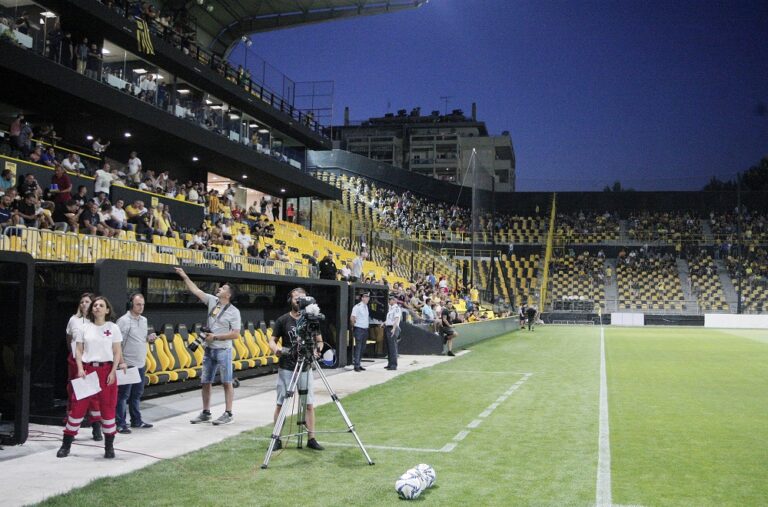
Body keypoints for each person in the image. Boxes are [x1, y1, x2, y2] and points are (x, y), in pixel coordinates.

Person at [57, 296, 125, 459]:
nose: (97, 307)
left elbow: (117, 352)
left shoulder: (113, 328)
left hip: (106, 371)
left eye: (101, 305)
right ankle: (66, 445)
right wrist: (80, 368)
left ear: (107, 310)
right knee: (77, 408)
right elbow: (78, 351)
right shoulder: (84, 328)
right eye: (95, 305)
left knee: (108, 409)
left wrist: (113, 371)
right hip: (88, 371)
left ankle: (109, 447)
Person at [175, 268, 241, 425]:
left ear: (228, 295)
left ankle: (228, 413)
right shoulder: (213, 301)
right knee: (205, 381)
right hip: (209, 349)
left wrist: (216, 337)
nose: (219, 289)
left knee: (227, 382)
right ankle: (206, 412)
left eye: (223, 288)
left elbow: (235, 334)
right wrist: (184, 276)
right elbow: (196, 290)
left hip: (223, 350)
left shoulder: (234, 312)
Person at [267, 287, 325, 451]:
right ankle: (277, 437)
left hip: (305, 367)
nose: (299, 301)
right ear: (290, 300)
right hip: (287, 367)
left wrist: (317, 350)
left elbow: (319, 340)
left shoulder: (311, 319)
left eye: (302, 298)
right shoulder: (283, 320)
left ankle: (311, 438)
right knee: (281, 404)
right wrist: (276, 349)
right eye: (296, 298)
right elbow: (272, 340)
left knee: (309, 404)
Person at [115, 293, 157, 433]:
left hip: (140, 363)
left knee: (136, 395)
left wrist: (148, 338)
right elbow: (116, 344)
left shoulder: (144, 320)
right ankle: (120, 423)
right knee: (123, 396)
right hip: (127, 364)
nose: (141, 307)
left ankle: (136, 421)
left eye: (143, 305)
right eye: (138, 304)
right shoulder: (123, 321)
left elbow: (139, 339)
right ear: (131, 304)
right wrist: (121, 362)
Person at [64, 293, 102, 442]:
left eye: (87, 301)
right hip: (75, 362)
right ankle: (71, 431)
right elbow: (69, 339)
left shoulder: (98, 322)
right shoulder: (73, 320)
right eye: (82, 302)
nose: (84, 304)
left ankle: (96, 427)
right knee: (74, 394)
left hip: (91, 362)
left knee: (93, 396)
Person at [349, 292, 370, 372]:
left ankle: (358, 363)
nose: (368, 299)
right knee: (358, 347)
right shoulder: (357, 307)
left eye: (368, 297)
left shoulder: (366, 307)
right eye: (366, 297)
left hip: (365, 329)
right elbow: (352, 317)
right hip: (359, 328)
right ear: (362, 298)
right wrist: (353, 326)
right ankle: (356, 365)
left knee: (363, 347)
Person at [384, 293, 402, 371]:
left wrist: (394, 328)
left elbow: (396, 318)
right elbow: (389, 319)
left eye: (390, 299)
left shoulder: (396, 308)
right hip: (388, 327)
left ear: (394, 300)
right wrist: (384, 323)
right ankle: (390, 363)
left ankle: (393, 365)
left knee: (392, 347)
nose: (389, 301)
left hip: (392, 328)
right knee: (389, 347)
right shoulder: (391, 308)